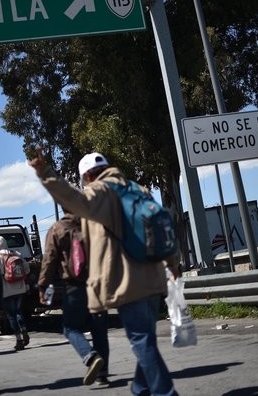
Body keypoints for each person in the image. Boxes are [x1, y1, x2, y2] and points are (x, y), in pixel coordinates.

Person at [29, 148, 180, 396]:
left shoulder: (100, 191)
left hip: (128, 282)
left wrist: (45, 173)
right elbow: (161, 228)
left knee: (142, 341)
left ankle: (166, 393)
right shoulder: (137, 189)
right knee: (146, 341)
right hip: (153, 277)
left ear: (87, 176)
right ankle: (140, 390)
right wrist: (172, 266)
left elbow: (73, 200)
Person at [39, 209, 109, 386]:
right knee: (98, 329)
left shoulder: (58, 228)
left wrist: (43, 285)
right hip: (98, 285)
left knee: (70, 328)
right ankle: (102, 374)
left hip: (74, 287)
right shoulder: (92, 224)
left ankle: (90, 356)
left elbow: (49, 259)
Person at [0, 235, 30, 351]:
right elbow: (27, 269)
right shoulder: (17, 254)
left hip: (6, 291)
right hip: (20, 289)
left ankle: (19, 340)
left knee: (11, 315)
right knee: (18, 312)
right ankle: (24, 330)